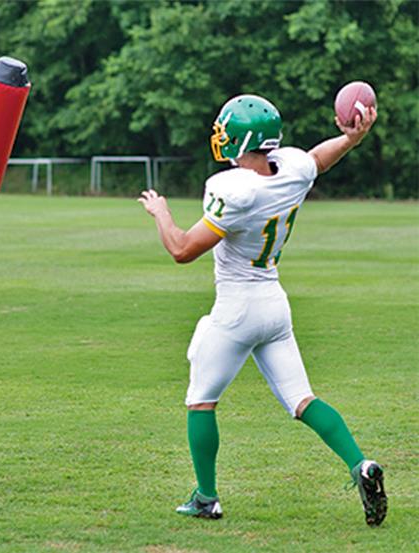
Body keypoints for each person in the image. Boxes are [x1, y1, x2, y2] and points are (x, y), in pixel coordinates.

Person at [137, 95, 387, 526]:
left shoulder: (234, 189)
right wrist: (351, 139)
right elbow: (316, 161)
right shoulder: (290, 169)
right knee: (302, 399)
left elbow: (181, 250)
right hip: (274, 304)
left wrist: (161, 213)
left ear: (242, 139)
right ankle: (360, 465)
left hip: (237, 309)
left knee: (201, 401)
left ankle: (206, 497)